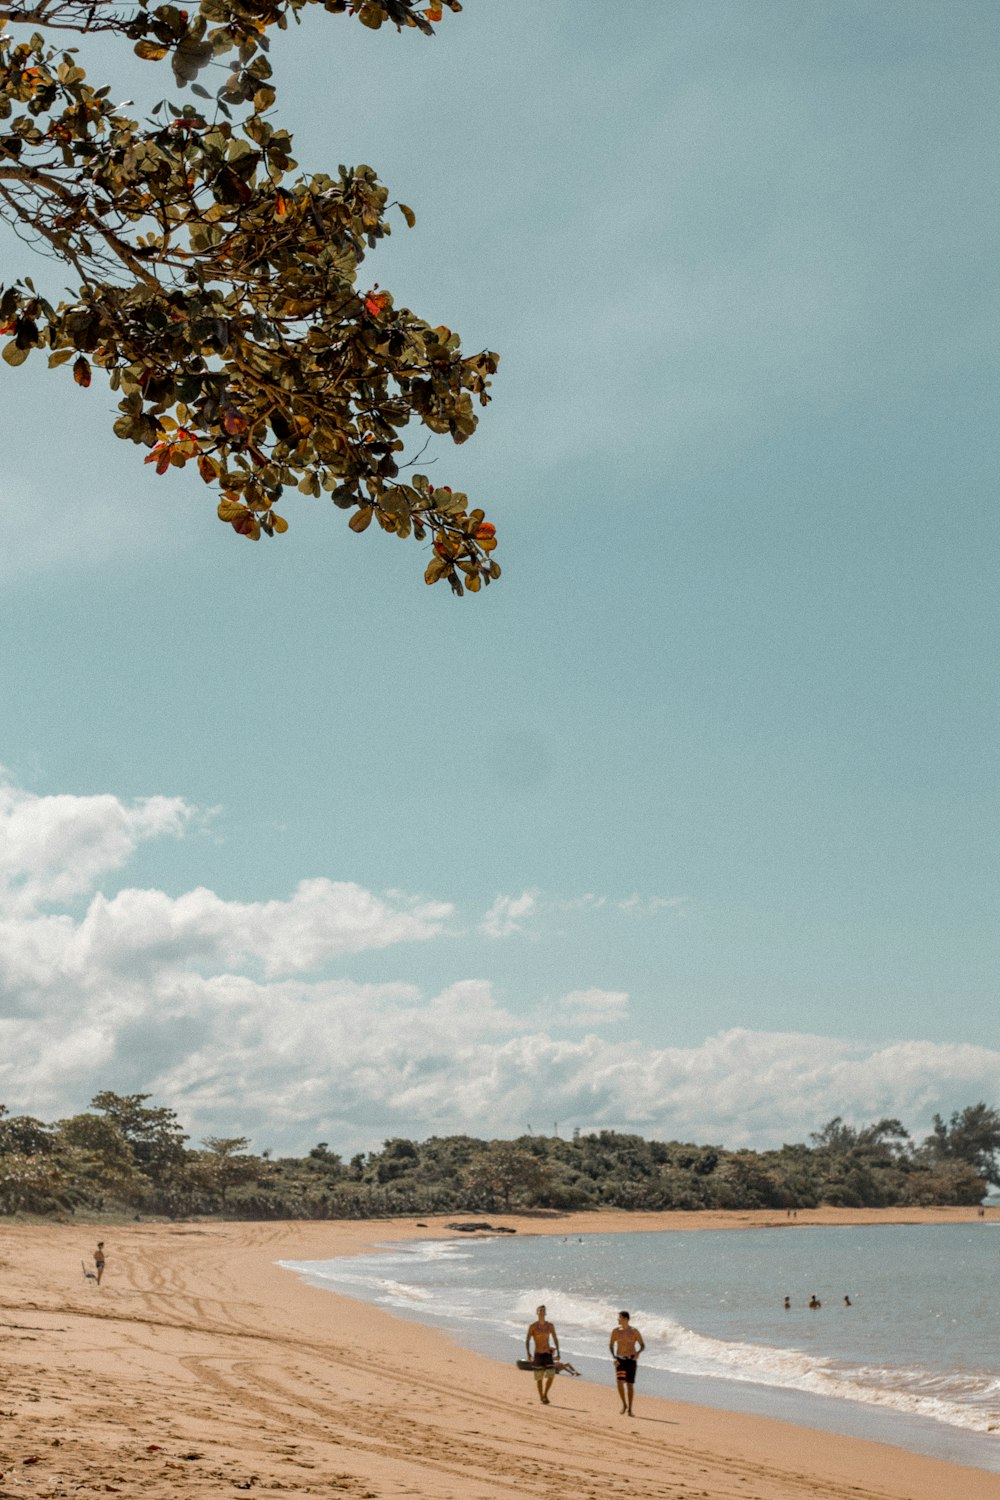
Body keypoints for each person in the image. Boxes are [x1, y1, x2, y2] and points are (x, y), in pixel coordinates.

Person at [609, 1310, 645, 1416]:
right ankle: (624, 1404)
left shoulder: (634, 1331)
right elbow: (611, 1345)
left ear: (625, 1319)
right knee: (619, 1383)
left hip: (631, 1360)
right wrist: (614, 1357)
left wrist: (638, 1353)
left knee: (630, 1385)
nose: (618, 1319)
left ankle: (630, 1409)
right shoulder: (616, 1331)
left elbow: (642, 1345)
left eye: (619, 1317)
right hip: (620, 1359)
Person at [525, 1305, 559, 1405]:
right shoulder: (533, 1326)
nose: (541, 1312)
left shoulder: (550, 1326)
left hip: (547, 1353)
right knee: (539, 1378)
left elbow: (555, 1338)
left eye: (543, 1311)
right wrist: (528, 1353)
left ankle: (545, 1394)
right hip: (538, 1354)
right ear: (537, 1313)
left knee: (551, 1375)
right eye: (540, 1311)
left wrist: (558, 1352)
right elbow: (527, 1340)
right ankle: (541, 1397)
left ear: (545, 1313)